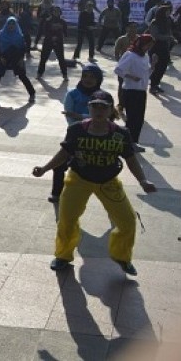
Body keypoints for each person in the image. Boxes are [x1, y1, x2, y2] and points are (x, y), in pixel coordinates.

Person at [32, 90, 157, 275]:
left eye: (103, 107)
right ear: (88, 108)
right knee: (66, 220)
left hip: (108, 182)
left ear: (110, 110)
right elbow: (64, 154)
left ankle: (122, 257)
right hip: (78, 180)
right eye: (94, 106)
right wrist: (44, 168)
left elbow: (131, 159)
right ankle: (62, 256)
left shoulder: (121, 134)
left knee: (128, 221)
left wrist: (143, 180)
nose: (98, 110)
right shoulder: (76, 130)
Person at [47, 63, 104, 203]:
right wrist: (87, 118)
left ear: (98, 79)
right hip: (75, 135)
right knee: (59, 164)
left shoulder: (102, 96)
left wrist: (81, 116)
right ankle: (56, 193)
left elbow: (104, 117)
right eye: (85, 76)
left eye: (92, 77)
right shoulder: (72, 94)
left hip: (96, 136)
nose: (88, 79)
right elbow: (69, 116)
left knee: (100, 167)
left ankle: (106, 195)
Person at [114, 34, 155, 152]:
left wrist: (153, 65)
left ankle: (134, 142)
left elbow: (146, 75)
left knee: (139, 119)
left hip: (141, 91)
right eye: (147, 45)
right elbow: (118, 70)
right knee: (132, 119)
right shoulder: (130, 55)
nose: (148, 48)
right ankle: (127, 142)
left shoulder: (145, 56)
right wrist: (131, 76)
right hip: (130, 91)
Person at [0, 16, 35, 102]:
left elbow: (23, 48)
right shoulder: (0, 34)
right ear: (6, 24)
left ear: (16, 25)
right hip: (4, 57)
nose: (11, 26)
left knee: (22, 76)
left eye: (13, 24)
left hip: (17, 57)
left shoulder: (20, 35)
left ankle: (32, 93)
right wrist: (1, 57)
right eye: (9, 24)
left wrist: (21, 59)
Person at [113, 21, 139, 117]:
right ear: (126, 28)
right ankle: (121, 105)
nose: (133, 29)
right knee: (122, 86)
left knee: (134, 87)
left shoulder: (139, 39)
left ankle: (132, 105)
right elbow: (116, 53)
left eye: (135, 27)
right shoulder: (121, 39)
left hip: (135, 68)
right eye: (131, 27)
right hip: (124, 68)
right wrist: (121, 64)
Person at [148, 3, 175, 94]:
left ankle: (156, 84)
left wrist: (171, 39)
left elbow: (169, 31)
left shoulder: (167, 21)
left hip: (165, 47)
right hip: (156, 47)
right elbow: (155, 35)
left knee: (163, 66)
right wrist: (167, 37)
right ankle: (152, 85)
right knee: (157, 67)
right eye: (167, 12)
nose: (168, 13)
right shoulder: (155, 22)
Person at [36, 6, 68, 80]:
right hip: (48, 41)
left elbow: (65, 32)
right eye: (55, 11)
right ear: (52, 12)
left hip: (59, 41)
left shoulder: (62, 21)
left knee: (61, 58)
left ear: (60, 13)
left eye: (58, 11)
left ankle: (65, 74)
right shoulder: (48, 21)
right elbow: (45, 31)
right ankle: (39, 73)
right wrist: (51, 37)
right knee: (44, 57)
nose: (56, 13)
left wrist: (63, 37)